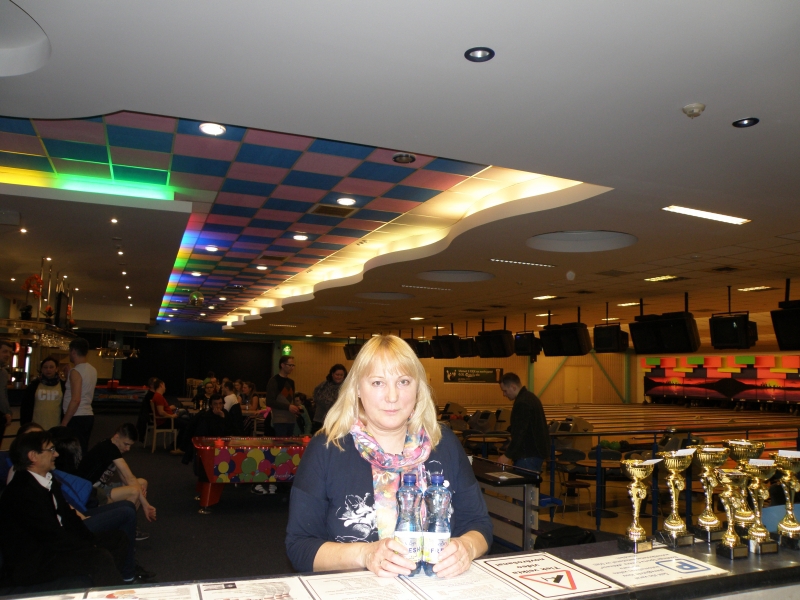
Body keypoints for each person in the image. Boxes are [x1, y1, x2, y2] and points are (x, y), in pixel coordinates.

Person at [285, 335, 492, 578]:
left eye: (403, 382)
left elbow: (479, 524)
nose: (392, 396)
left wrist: (466, 547)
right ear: (357, 389)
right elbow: (300, 546)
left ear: (418, 388)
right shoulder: (327, 448)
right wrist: (365, 554)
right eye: (378, 383)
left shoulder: (444, 442)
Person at [0, 430, 127, 587]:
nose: (56, 454)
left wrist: (90, 539)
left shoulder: (47, 479)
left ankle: (107, 588)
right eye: (51, 449)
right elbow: (50, 536)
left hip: (54, 545)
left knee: (118, 539)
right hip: (35, 562)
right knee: (99, 557)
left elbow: (68, 516)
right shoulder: (22, 493)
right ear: (33, 456)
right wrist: (87, 546)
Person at [77, 423, 157, 524]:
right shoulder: (109, 448)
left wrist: (140, 491)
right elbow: (130, 478)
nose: (128, 449)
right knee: (134, 491)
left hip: (101, 488)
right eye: (126, 444)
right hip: (90, 493)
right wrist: (146, 505)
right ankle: (123, 526)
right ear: (116, 437)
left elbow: (126, 478)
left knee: (142, 483)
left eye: (130, 445)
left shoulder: (113, 448)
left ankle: (128, 523)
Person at [496, 372, 550, 472]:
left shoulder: (522, 402)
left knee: (525, 482)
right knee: (530, 482)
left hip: (528, 456)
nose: (504, 394)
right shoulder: (530, 397)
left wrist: (507, 455)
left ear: (513, 387)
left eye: (505, 391)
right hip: (533, 455)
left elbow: (520, 432)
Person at [61, 338, 98, 454]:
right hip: (87, 414)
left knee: (72, 452)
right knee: (82, 449)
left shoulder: (76, 371)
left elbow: (76, 400)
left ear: (73, 351)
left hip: (76, 416)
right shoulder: (92, 370)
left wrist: (64, 422)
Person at [21, 356, 65, 430]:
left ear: (56, 369)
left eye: (51, 367)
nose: (48, 370)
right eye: (45, 367)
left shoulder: (63, 386)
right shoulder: (33, 385)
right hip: (36, 426)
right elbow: (25, 406)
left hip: (56, 426)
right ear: (41, 369)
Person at [151, 379, 190, 454]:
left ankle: (177, 444)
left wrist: (169, 409)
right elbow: (161, 412)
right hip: (165, 421)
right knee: (187, 425)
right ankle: (181, 447)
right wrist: (171, 416)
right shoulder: (158, 396)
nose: (165, 388)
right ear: (161, 385)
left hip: (166, 419)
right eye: (164, 385)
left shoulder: (158, 396)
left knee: (187, 421)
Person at [266, 355, 300, 436]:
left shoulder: (291, 382)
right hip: (280, 419)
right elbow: (270, 402)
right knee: (281, 443)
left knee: (290, 443)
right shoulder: (274, 381)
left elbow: (291, 400)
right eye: (290, 365)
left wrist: (296, 407)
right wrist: (288, 407)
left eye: (293, 365)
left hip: (291, 419)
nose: (292, 368)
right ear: (282, 365)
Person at [311, 364, 347, 434]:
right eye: (337, 375)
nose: (339, 377)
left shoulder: (346, 387)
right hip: (321, 419)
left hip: (338, 420)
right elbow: (316, 398)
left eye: (341, 375)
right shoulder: (323, 386)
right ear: (332, 374)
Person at [0, 340, 14, 443]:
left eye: (10, 352)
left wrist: (7, 412)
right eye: (5, 351)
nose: (8, 355)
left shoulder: (4, 373)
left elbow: (3, 395)